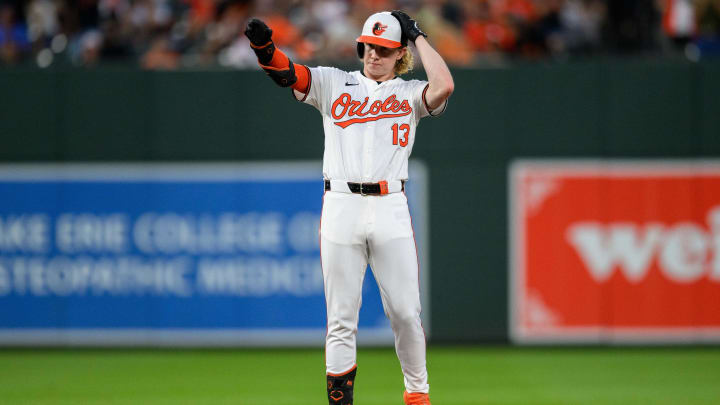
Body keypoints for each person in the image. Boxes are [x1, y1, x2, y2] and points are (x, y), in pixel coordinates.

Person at [245, 10, 453, 405]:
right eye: (368, 46)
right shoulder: (333, 82)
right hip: (341, 203)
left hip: (391, 203)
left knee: (407, 313)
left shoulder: (409, 93)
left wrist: (419, 36)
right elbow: (287, 72)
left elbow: (445, 84)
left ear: (400, 55)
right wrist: (263, 48)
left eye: (384, 49)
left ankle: (417, 395)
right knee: (341, 317)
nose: (373, 54)